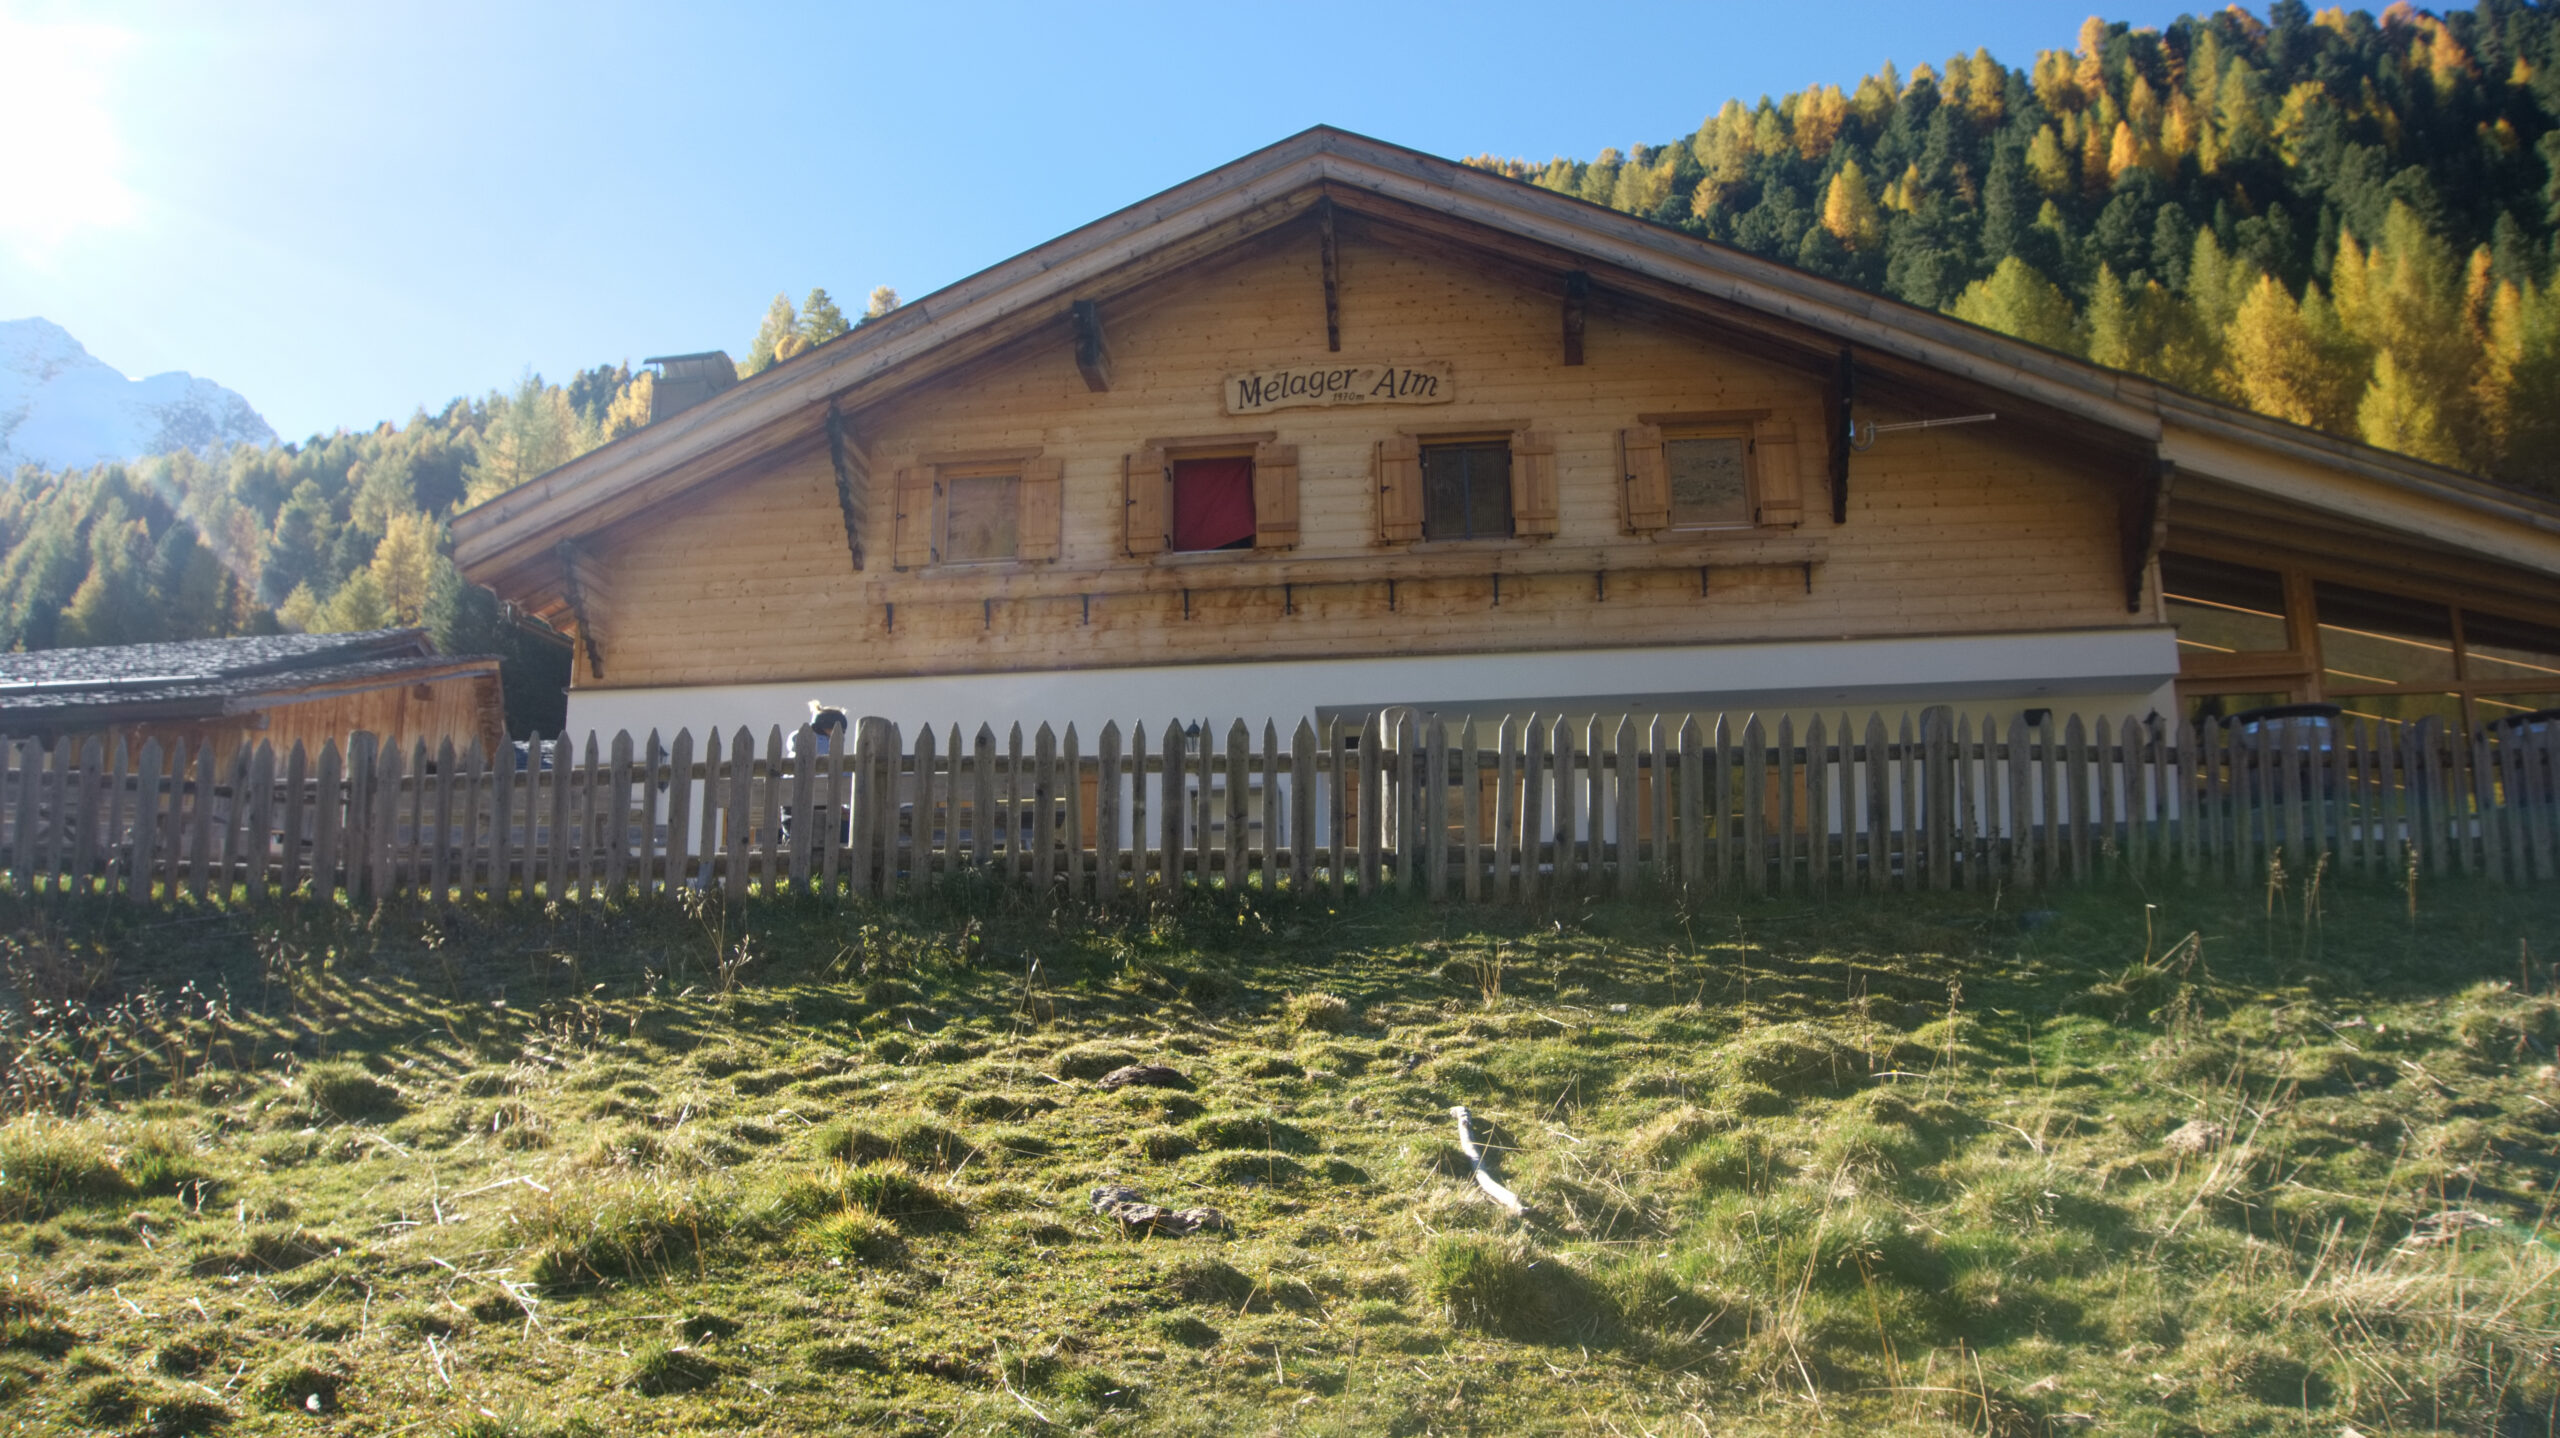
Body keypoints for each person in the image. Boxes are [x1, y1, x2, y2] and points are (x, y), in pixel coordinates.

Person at [781, 701, 853, 847]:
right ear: (830, 729)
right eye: (842, 731)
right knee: (848, 831)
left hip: (790, 812)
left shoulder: (797, 748)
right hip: (817, 811)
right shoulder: (825, 747)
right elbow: (844, 779)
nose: (843, 737)